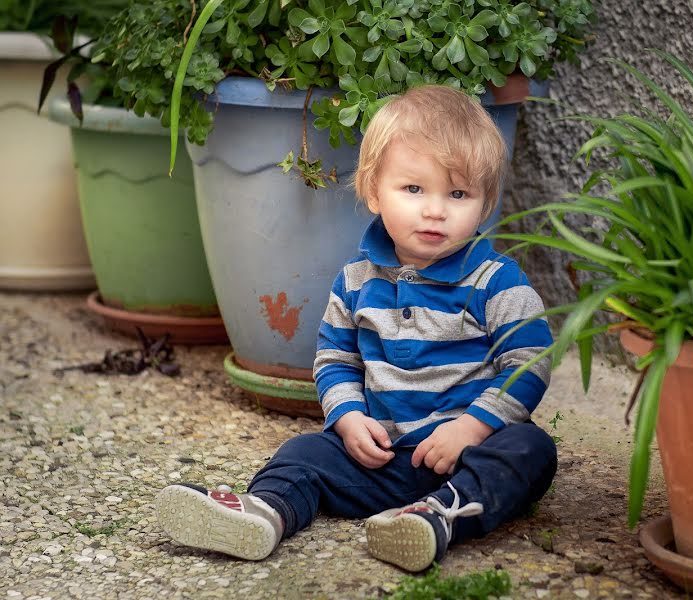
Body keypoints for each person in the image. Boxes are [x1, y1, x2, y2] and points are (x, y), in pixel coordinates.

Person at [155, 84, 557, 572]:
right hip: (381, 459)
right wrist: (348, 420)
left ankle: (438, 516)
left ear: (486, 202)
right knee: (304, 451)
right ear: (373, 190)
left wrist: (472, 427)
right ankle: (265, 513)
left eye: (458, 193)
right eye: (414, 189)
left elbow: (528, 363)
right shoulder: (356, 280)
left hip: (464, 454)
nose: (435, 210)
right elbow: (335, 358)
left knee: (531, 450)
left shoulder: (496, 282)